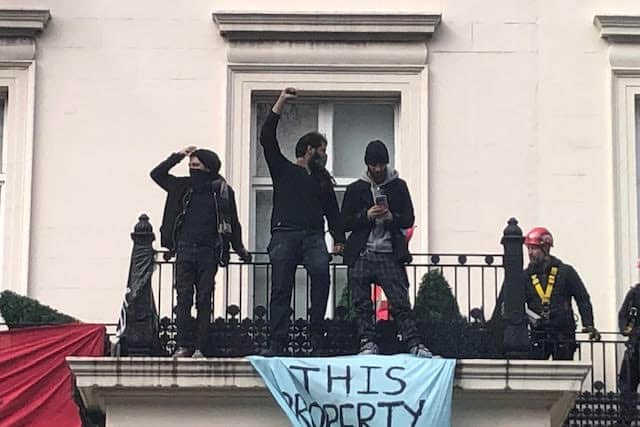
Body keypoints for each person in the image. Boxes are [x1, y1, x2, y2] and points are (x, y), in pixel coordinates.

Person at [259, 87, 345, 356]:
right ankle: (278, 342)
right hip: (285, 234)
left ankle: (316, 336)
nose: (326, 155)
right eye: (323, 150)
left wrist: (339, 238)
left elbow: (333, 211)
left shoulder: (322, 180)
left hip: (312, 237)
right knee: (281, 287)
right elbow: (267, 139)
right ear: (309, 150)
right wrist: (281, 103)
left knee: (321, 276)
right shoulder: (283, 170)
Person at [150, 146, 252, 358]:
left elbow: (232, 222)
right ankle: (182, 345)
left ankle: (200, 347)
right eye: (190, 165)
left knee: (204, 299)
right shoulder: (181, 186)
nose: (191, 169)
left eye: (196, 165)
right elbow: (157, 174)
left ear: (209, 167)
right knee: (184, 298)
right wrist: (178, 156)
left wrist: (239, 248)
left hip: (209, 251)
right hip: (185, 249)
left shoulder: (222, 191)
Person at [341, 139, 432, 357]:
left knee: (400, 300)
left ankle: (413, 342)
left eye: (382, 165)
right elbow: (344, 222)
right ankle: (367, 341)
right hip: (363, 252)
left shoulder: (398, 186)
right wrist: (366, 216)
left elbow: (409, 218)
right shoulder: (356, 189)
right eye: (374, 165)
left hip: (390, 252)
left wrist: (392, 217)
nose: (379, 169)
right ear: (368, 165)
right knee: (361, 303)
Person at [523, 227, 600, 360]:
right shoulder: (525, 276)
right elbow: (516, 304)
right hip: (538, 335)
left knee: (565, 374)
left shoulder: (565, 272)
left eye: (534, 248)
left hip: (563, 335)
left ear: (546, 249)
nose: (530, 253)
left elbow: (582, 298)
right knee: (536, 376)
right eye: (528, 248)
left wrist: (589, 324)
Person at [618, 260, 640, 422]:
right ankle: (626, 418)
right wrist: (629, 331)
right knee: (627, 384)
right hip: (636, 348)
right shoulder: (635, 294)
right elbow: (623, 316)